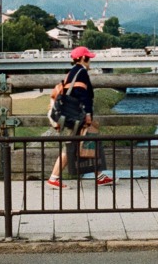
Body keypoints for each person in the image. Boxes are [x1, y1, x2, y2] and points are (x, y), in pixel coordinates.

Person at [47, 46, 114, 189]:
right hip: (79, 116)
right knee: (72, 145)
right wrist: (88, 114)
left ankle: (100, 176)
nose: (90, 61)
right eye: (88, 58)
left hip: (71, 114)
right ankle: (54, 178)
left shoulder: (71, 72)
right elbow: (84, 96)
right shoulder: (82, 72)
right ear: (83, 58)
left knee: (88, 142)